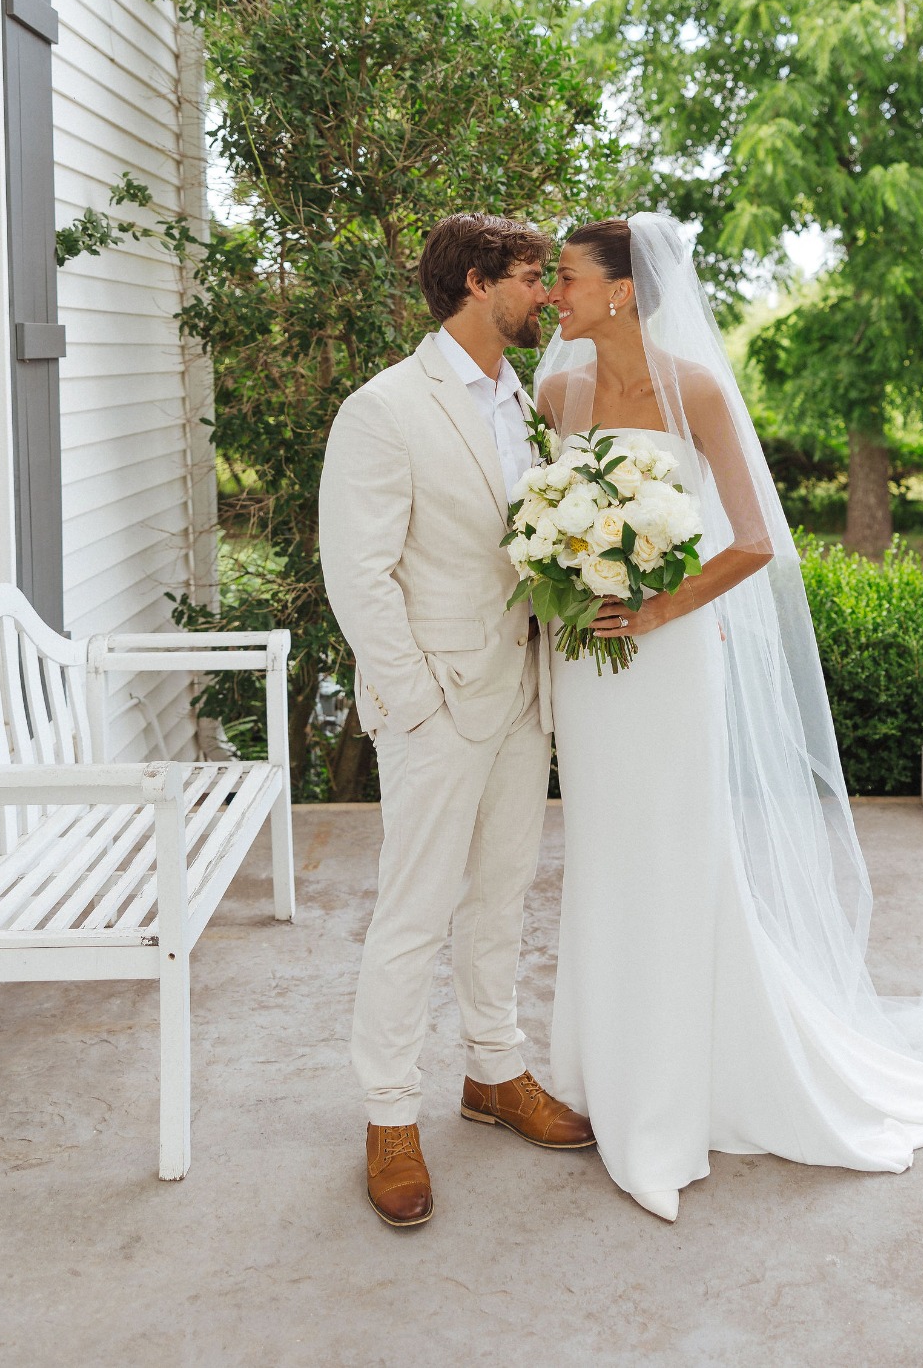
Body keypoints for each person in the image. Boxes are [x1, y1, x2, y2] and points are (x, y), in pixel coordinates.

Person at [536, 213, 923, 1224]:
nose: (551, 295)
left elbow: (754, 541)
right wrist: (566, 575)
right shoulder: (556, 391)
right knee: (603, 854)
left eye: (565, 277)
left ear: (620, 291)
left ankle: (678, 1092)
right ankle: (608, 1070)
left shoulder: (694, 390)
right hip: (592, 665)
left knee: (681, 851)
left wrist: (657, 607)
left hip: (671, 653)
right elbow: (545, 511)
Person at [319, 213, 595, 1230]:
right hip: (437, 700)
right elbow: (358, 574)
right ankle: (389, 1115)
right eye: (533, 277)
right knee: (413, 911)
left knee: (501, 894)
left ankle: (494, 1073)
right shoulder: (385, 408)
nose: (547, 296)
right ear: (480, 283)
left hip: (525, 691)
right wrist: (418, 701)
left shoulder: (525, 404)